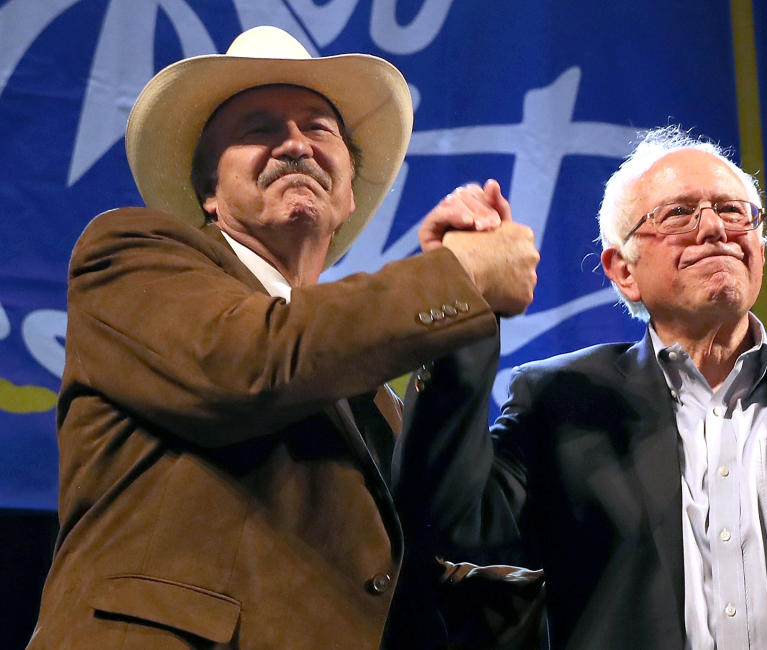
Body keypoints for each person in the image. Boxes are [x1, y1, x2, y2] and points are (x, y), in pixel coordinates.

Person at [28, 26, 538, 649]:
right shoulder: (131, 256)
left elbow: (420, 535)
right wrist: (458, 276)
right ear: (209, 195)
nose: (294, 145)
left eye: (318, 129)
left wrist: (463, 314)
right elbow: (248, 362)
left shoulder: (362, 383)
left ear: (349, 193)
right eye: (258, 128)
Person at [394, 125, 767, 649]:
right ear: (623, 271)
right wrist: (457, 302)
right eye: (681, 214)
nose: (714, 227)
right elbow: (446, 523)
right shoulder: (559, 402)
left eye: (734, 212)